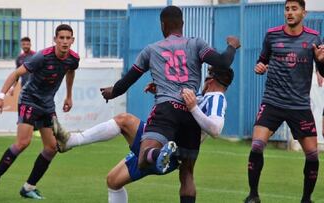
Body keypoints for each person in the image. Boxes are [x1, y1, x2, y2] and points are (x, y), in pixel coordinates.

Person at [100, 5, 240, 203]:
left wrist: (111, 92)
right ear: (182, 24)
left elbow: (127, 81)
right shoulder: (197, 44)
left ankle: (159, 152)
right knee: (187, 174)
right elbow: (223, 62)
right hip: (190, 112)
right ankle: (165, 155)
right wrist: (232, 45)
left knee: (144, 158)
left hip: (167, 109)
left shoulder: (152, 49)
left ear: (162, 25)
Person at [53, 66, 234, 203]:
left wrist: (193, 107)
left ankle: (71, 140)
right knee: (113, 181)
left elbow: (216, 128)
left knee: (124, 120)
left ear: (210, 79)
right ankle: (156, 155)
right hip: (167, 149)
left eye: (208, 74)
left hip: (165, 144)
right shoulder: (204, 97)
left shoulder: (216, 98)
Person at [0, 24, 80, 200]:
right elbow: (15, 74)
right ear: (55, 39)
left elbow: (70, 72)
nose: (65, 41)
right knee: (23, 143)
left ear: (72, 40)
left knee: (51, 148)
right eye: (61, 38)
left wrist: (69, 96)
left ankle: (28, 187)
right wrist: (0, 97)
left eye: (68, 38)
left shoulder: (73, 59)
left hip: (47, 105)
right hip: (29, 100)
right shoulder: (41, 57)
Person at [244, 1, 324, 203]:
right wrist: (260, 66)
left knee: (313, 156)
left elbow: (323, 73)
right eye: (287, 9)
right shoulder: (272, 35)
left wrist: (322, 61)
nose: (289, 12)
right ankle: (253, 195)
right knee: (256, 146)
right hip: (273, 102)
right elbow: (262, 60)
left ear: (303, 13)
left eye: (294, 9)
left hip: (299, 106)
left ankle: (306, 199)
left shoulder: (314, 38)